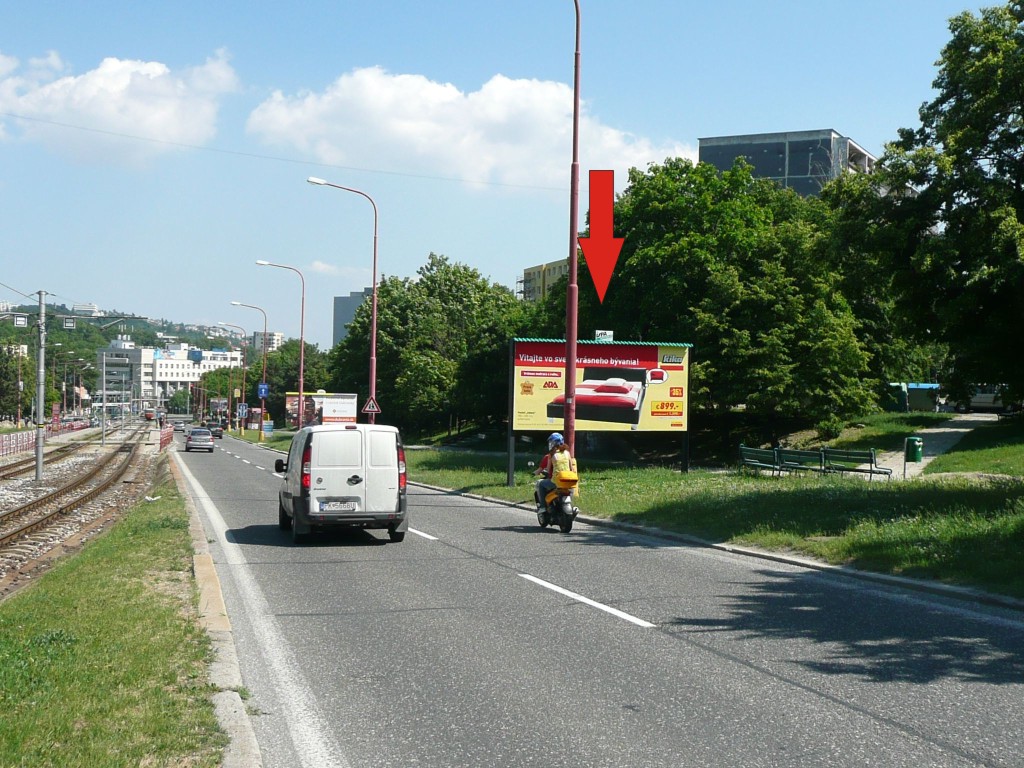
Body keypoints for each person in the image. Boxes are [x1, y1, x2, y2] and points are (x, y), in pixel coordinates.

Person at [534, 432, 573, 510]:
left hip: (556, 481)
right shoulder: (567, 453)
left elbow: (548, 470)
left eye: (551, 442)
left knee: (541, 484)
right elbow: (571, 468)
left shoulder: (552, 455)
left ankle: (543, 506)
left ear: (554, 443)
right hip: (568, 481)